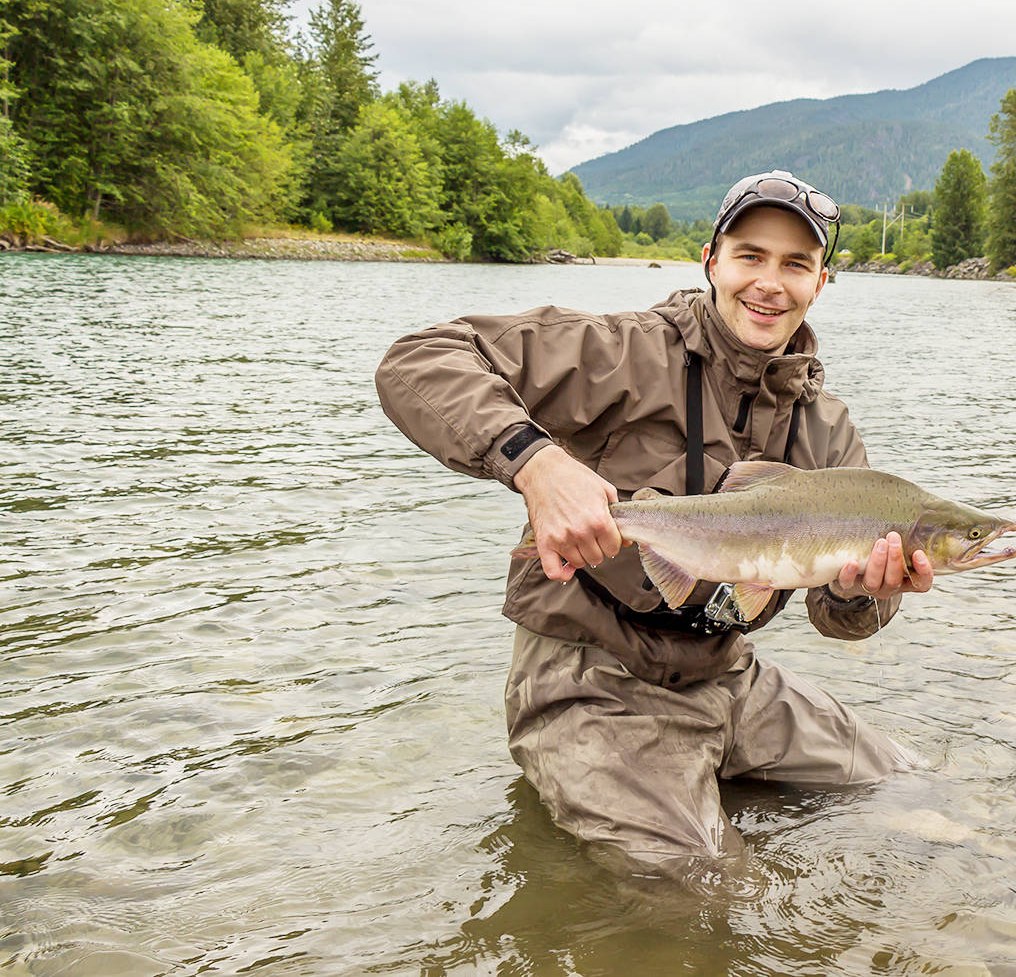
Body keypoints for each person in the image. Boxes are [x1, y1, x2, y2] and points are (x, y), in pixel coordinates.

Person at [375, 170, 935, 876]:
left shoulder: (827, 430)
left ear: (821, 281)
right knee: (703, 894)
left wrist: (865, 593)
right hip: (590, 675)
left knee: (907, 787)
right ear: (711, 262)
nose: (770, 282)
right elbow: (419, 360)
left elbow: (841, 617)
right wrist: (534, 462)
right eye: (750, 256)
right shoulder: (623, 351)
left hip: (726, 674)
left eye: (796, 264)